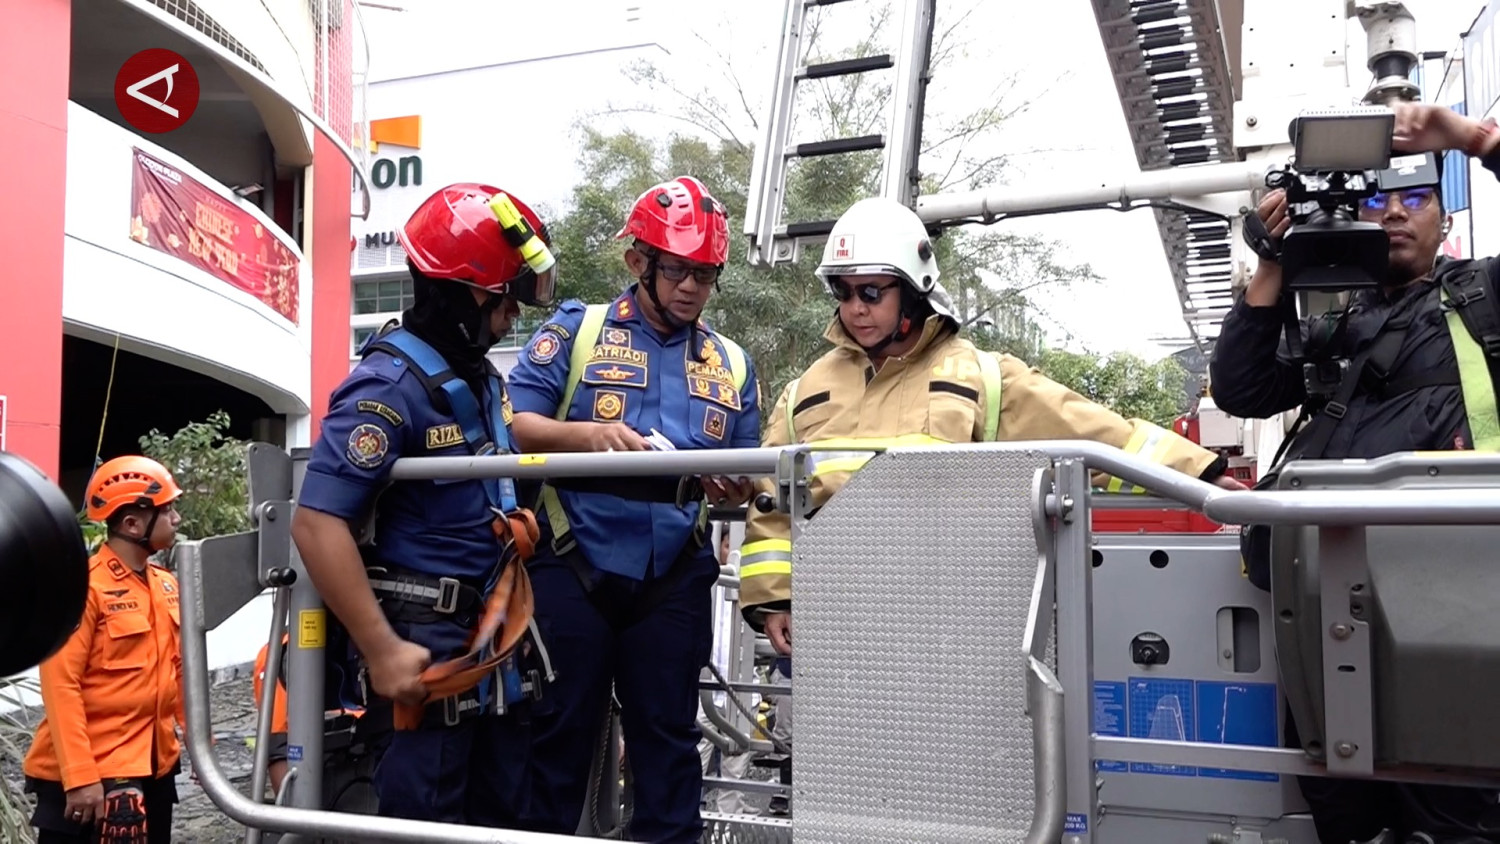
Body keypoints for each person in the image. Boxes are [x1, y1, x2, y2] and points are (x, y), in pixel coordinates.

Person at [738, 196, 1247, 656]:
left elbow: (1095, 435)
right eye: (843, 291)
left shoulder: (979, 377)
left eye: (871, 291)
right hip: (834, 616)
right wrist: (774, 598)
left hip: (949, 617)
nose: (855, 308)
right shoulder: (806, 390)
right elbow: (770, 500)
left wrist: (1199, 475)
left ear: (913, 290)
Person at [1209, 101, 1500, 844]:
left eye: (1416, 198)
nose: (1395, 213)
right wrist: (1273, 262)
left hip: (1453, 600)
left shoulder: (1484, 299)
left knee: (1453, 805)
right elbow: (1241, 388)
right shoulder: (1336, 322)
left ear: (1445, 217)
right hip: (1325, 603)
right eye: (1378, 200)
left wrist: (1475, 139)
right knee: (1340, 807)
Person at [290, 182, 557, 825]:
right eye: (504, 298)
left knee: (505, 828)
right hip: (425, 657)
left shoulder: (480, 378)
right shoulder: (385, 390)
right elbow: (316, 522)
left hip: (495, 649)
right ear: (460, 293)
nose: (511, 315)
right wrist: (381, 649)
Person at [506, 175, 761, 843]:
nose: (691, 287)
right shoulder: (578, 331)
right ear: (637, 262)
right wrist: (587, 436)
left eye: (706, 274)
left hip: (674, 573)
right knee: (555, 738)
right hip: (572, 561)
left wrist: (736, 486)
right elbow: (516, 424)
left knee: (668, 743)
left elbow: (748, 468)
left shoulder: (732, 364)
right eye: (676, 269)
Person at [23, 456, 186, 844]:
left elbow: (178, 670)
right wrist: (80, 778)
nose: (176, 518)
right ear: (132, 524)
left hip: (155, 767)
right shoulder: (84, 588)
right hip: (90, 779)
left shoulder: (166, 584)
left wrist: (201, 742)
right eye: (167, 510)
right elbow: (61, 686)